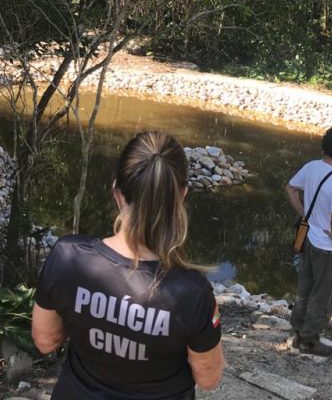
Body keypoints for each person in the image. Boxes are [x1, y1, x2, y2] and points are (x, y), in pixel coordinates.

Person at [31, 131, 224, 400]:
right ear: (181, 196)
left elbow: (45, 341)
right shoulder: (194, 293)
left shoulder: (67, 257)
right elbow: (209, 378)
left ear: (117, 193)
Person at [286, 123, 332, 356]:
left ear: (324, 144)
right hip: (327, 248)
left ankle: (298, 331)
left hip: (308, 240)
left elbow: (291, 188)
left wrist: (304, 213)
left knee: (305, 287)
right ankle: (310, 341)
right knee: (323, 295)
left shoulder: (311, 167)